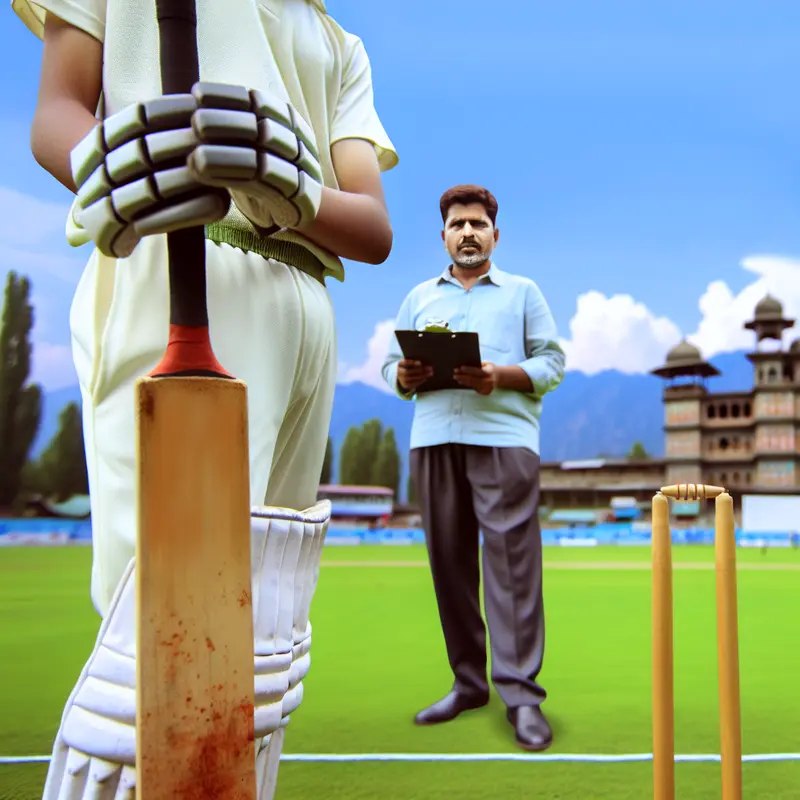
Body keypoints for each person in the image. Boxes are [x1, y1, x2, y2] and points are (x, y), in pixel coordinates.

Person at [14, 0, 397, 796]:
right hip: (178, 255)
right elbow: (57, 112)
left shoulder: (337, 38)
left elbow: (371, 226)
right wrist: (111, 167)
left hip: (307, 298)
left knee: (267, 633)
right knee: (159, 631)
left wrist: (289, 181)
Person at [381, 184, 565, 751]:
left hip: (503, 439)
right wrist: (403, 377)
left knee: (511, 569)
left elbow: (553, 362)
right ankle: (468, 684)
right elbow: (392, 364)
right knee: (449, 567)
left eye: (477, 224)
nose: (468, 232)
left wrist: (499, 376)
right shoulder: (418, 297)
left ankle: (521, 697)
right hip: (434, 438)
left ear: (494, 235)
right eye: (458, 224)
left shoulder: (523, 293)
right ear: (443, 235)